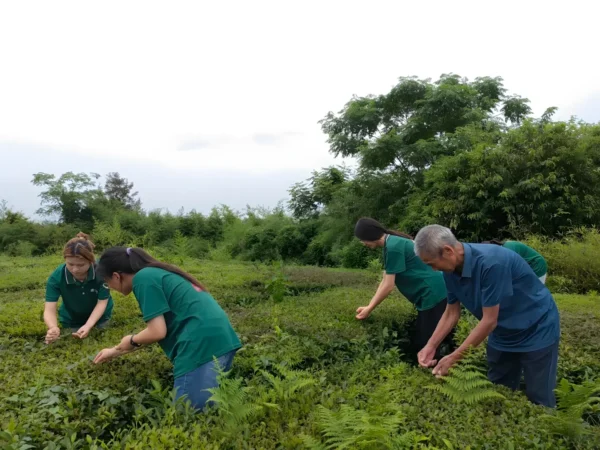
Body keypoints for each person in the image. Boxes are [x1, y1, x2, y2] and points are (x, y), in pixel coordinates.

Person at [414, 225, 560, 408]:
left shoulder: (491, 262)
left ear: (448, 251)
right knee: (497, 392)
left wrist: (454, 358)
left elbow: (489, 320)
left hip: (537, 328)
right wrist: (431, 346)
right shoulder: (449, 272)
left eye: (431, 263)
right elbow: (451, 312)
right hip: (502, 332)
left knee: (540, 398)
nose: (433, 269)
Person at [93, 247, 242, 411]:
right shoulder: (155, 272)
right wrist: (115, 350)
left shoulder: (143, 279)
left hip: (200, 345)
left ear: (116, 276)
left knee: (187, 414)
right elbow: (157, 329)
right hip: (220, 339)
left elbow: (157, 332)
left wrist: (131, 340)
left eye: (108, 283)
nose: (111, 288)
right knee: (212, 408)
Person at [353, 218, 454, 359]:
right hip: (433, 292)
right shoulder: (391, 243)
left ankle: (437, 372)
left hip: (432, 293)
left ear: (369, 236)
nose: (363, 243)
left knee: (426, 343)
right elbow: (385, 279)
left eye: (362, 239)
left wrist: (369, 309)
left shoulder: (393, 246)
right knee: (433, 336)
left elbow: (388, 285)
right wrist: (368, 306)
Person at [44, 233, 113, 344]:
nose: (75, 269)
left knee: (101, 336)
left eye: (80, 265)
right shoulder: (56, 277)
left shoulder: (101, 272)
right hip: (71, 319)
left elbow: (102, 303)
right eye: (70, 264)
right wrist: (53, 327)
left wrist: (88, 325)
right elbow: (49, 309)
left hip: (101, 317)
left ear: (91, 261)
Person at [482, 239, 548, 284]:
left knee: (531, 292)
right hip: (528, 266)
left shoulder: (508, 249)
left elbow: (508, 271)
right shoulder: (502, 251)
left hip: (537, 265)